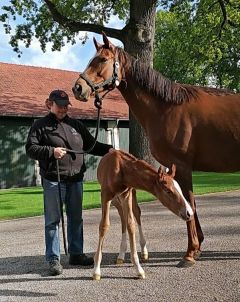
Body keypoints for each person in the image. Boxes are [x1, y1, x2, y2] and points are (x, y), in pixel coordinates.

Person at [25, 89, 113, 276]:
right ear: (50, 104)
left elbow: (91, 146)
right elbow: (30, 148)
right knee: (53, 221)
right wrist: (51, 152)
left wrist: (110, 150)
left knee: (76, 219)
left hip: (75, 180)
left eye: (66, 106)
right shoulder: (40, 125)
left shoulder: (76, 125)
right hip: (53, 180)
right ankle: (53, 259)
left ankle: (76, 254)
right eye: (60, 106)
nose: (64, 109)